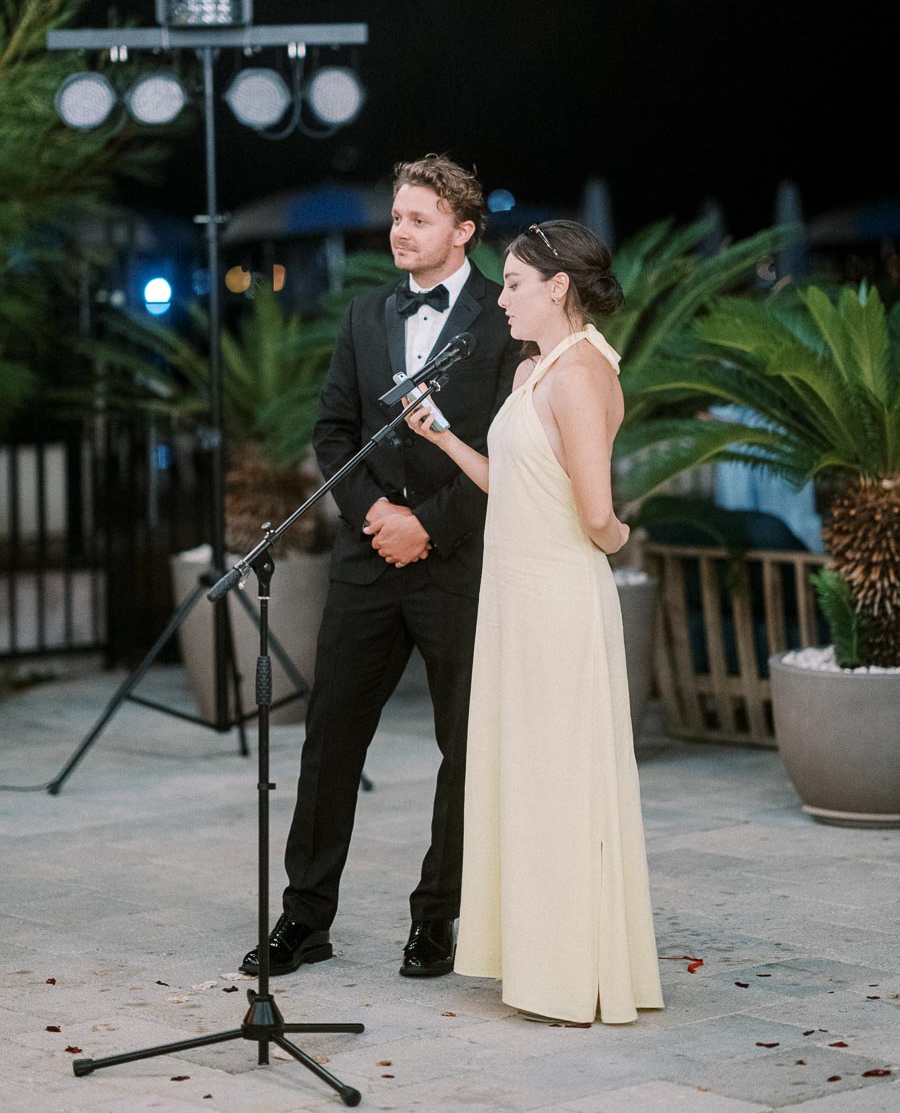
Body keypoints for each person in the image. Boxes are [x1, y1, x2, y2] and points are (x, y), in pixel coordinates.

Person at [240, 154, 519, 980]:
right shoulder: (365, 313)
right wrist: (373, 515)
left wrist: (425, 528)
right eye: (396, 217)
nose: (399, 230)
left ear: (464, 231)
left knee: (463, 748)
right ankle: (305, 918)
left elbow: (513, 455)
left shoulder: (504, 321)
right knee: (329, 744)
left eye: (419, 218)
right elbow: (333, 433)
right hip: (365, 563)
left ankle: (437, 920)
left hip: (457, 564)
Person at [403, 219, 664, 1025]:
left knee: (561, 782)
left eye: (513, 283)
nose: (501, 297)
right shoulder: (533, 370)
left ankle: (573, 971)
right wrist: (442, 435)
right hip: (515, 603)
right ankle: (538, 958)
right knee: (525, 778)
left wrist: (621, 543)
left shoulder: (580, 375)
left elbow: (596, 514)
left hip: (556, 603)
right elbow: (512, 484)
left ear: (558, 288)